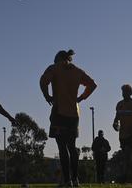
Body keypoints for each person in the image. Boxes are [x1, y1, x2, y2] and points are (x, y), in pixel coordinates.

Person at [40, 49, 97, 187]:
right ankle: (75, 179)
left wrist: (47, 96)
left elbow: (43, 81)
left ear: (58, 59)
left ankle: (66, 181)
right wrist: (81, 98)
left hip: (59, 112)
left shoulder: (54, 68)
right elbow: (92, 84)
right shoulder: (77, 71)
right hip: (74, 113)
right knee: (72, 147)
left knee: (62, 147)